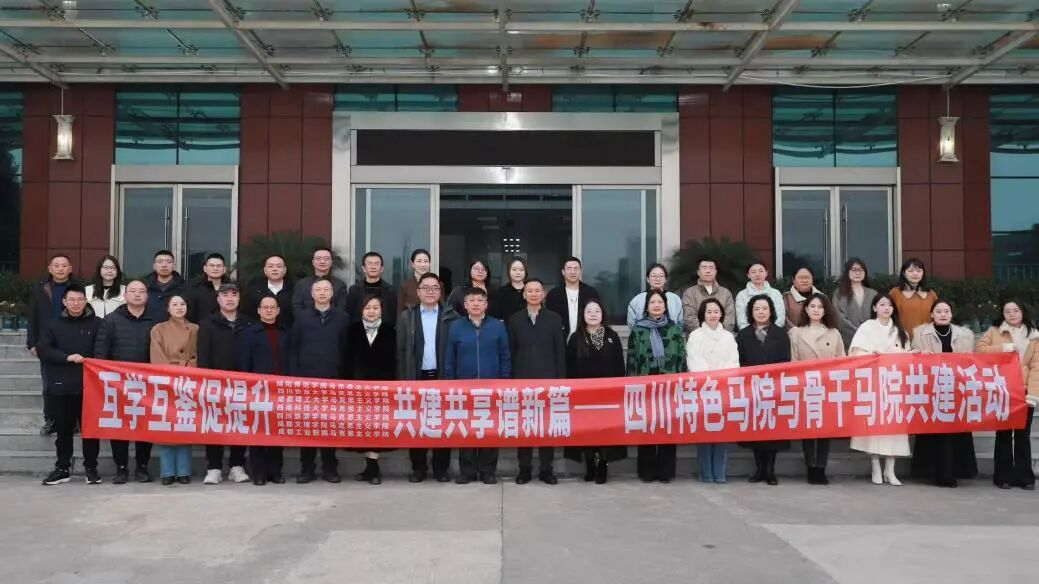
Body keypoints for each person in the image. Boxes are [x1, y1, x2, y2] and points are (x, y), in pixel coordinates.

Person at [444, 287, 510, 485]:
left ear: (486, 304)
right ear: (465, 305)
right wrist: (450, 384)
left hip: (492, 388)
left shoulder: (497, 326)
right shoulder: (456, 327)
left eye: (480, 300)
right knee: (466, 429)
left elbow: (505, 355)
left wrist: (504, 382)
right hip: (464, 388)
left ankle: (488, 471)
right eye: (471, 300)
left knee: (489, 429)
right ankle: (467, 471)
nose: (475, 304)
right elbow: (450, 357)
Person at [38, 284, 102, 486]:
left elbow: (103, 349)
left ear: (86, 301)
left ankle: (91, 468)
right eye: (72, 300)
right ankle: (62, 468)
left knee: (90, 431)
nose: (76, 303)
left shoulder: (97, 323)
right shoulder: (52, 324)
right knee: (64, 431)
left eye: (80, 299)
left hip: (90, 386)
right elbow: (44, 350)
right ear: (64, 302)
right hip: (62, 385)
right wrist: (66, 357)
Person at [397, 272, 458, 482]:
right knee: (417, 424)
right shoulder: (407, 317)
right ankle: (418, 468)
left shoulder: (451, 317)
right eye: (426, 288)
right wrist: (403, 379)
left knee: (443, 424)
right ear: (418, 292)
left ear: (441, 292)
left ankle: (441, 468)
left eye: (435, 288)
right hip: (416, 378)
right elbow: (401, 350)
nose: (430, 291)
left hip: (442, 378)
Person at [94, 279, 156, 484]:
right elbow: (101, 351)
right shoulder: (111, 320)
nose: (137, 294)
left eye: (141, 291)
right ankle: (121, 468)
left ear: (147, 295)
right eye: (133, 291)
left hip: (148, 384)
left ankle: (142, 467)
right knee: (119, 426)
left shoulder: (156, 320)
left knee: (145, 426)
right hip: (118, 383)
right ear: (125, 295)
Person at [911, 300, 978, 488]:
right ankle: (932, 472)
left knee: (955, 431)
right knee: (934, 432)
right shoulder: (919, 333)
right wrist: (919, 354)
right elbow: (912, 357)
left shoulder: (966, 334)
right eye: (938, 311)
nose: (943, 314)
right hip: (932, 388)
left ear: (951, 314)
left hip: (957, 388)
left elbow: (974, 360)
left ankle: (955, 471)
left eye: (946, 311)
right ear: (931, 314)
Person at [848, 293, 912, 486]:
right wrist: (871, 355)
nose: (886, 308)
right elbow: (855, 353)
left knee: (894, 427)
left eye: (889, 305)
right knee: (875, 427)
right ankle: (875, 465)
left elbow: (907, 356)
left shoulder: (900, 331)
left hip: (894, 384)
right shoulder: (867, 327)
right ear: (875, 308)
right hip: (873, 383)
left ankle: (890, 470)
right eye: (882, 304)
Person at [291, 276, 350, 483]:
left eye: (326, 289)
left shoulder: (343, 318)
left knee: (329, 427)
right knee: (307, 427)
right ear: (312, 294)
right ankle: (307, 469)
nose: (322, 293)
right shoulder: (302, 318)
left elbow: (346, 349)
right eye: (318, 290)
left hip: (333, 380)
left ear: (332, 294)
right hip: (307, 380)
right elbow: (294, 348)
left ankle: (330, 468)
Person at [508, 278, 566, 485]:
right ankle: (524, 469)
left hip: (548, 382)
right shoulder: (515, 320)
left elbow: (560, 352)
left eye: (537, 291)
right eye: (529, 291)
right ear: (524, 295)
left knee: (546, 427)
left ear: (543, 294)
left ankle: (546, 469)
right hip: (522, 381)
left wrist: (561, 381)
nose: (533, 294)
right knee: (525, 427)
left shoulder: (554, 319)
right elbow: (511, 351)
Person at [562, 299, 626, 484]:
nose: (593, 314)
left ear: (602, 314)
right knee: (587, 431)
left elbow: (619, 366)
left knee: (605, 431)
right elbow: (569, 366)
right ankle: (590, 463)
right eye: (589, 311)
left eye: (597, 311)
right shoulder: (576, 338)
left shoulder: (612, 336)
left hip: (608, 395)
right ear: (583, 315)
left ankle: (603, 464)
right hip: (583, 396)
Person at [976, 300, 1037, 490]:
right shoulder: (994, 331)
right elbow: (979, 350)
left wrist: (1033, 395)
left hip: (1023, 391)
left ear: (1023, 312)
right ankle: (1003, 476)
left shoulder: (1034, 336)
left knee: (1023, 435)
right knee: (1003, 434)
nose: (1012, 314)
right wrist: (1003, 349)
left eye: (1015, 310)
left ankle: (1025, 477)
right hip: (1001, 388)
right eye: (1007, 311)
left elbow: (1036, 368)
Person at [627, 290, 686, 483]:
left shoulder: (674, 329)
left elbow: (681, 358)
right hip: (645, 387)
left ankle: (665, 472)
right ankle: (647, 471)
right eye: (652, 302)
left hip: (670, 387)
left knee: (667, 427)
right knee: (648, 427)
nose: (656, 305)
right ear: (646, 307)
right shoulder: (638, 330)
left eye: (660, 302)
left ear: (666, 306)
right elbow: (632, 360)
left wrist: (682, 382)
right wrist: (632, 384)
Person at [789, 293, 846, 485]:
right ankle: (810, 466)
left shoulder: (833, 333)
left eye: (820, 307)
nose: (816, 310)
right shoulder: (796, 333)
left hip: (828, 386)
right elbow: (793, 361)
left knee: (825, 429)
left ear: (825, 310)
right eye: (812, 306)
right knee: (808, 429)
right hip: (805, 386)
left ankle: (821, 467)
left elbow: (842, 360)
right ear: (806, 309)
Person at [197, 282, 251, 485]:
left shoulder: (248, 323)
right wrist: (206, 381)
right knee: (215, 424)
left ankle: (237, 466)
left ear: (239, 299)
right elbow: (203, 355)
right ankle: (214, 467)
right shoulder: (207, 324)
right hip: (215, 383)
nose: (230, 299)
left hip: (242, 383)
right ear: (218, 299)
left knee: (239, 423)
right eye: (225, 295)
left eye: (234, 295)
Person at [736, 295, 791, 486]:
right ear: (751, 312)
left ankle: (770, 470)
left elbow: (786, 361)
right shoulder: (743, 335)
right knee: (756, 430)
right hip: (751, 389)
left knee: (772, 431)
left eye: (765, 308)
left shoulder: (780, 334)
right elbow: (740, 361)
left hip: (774, 389)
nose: (761, 312)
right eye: (757, 309)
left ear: (771, 311)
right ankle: (759, 469)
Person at [343, 295, 397, 485]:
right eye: (367, 308)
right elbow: (347, 358)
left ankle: (373, 469)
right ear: (361, 310)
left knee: (378, 427)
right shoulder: (353, 330)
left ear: (382, 310)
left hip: (383, 387)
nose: (371, 311)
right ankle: (369, 467)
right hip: (359, 387)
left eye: (375, 307)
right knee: (365, 427)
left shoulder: (390, 331)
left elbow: (395, 359)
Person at [238, 294, 291, 486]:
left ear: (278, 310)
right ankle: (258, 473)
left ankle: (275, 472)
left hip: (280, 389)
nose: (269, 310)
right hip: (257, 390)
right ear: (259, 311)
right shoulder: (249, 333)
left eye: (272, 307)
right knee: (258, 431)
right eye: (265, 307)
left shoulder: (286, 332)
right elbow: (244, 363)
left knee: (277, 431)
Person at [684, 298, 739, 484]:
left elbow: (733, 361)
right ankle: (706, 473)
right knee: (704, 433)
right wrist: (710, 379)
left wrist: (721, 378)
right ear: (703, 314)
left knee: (722, 432)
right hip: (703, 390)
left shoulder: (728, 337)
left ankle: (720, 473)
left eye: (716, 311)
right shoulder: (695, 336)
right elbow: (694, 361)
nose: (713, 315)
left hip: (724, 390)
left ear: (722, 314)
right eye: (709, 312)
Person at [149, 294, 198, 486]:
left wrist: (186, 369)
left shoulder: (195, 329)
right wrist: (169, 373)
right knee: (167, 425)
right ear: (167, 308)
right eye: (175, 304)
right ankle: (167, 471)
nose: (179, 307)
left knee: (185, 424)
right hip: (166, 381)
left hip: (188, 381)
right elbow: (156, 355)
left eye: (182, 303)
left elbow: (197, 355)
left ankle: (184, 471)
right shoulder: (158, 329)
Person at [27, 253, 75, 436]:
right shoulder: (40, 289)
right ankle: (51, 419)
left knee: (73, 384)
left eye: (64, 265)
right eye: (57, 265)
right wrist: (32, 342)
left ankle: (73, 420)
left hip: (72, 340)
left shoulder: (77, 288)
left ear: (70, 269)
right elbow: (33, 316)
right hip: (47, 342)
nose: (60, 269)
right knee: (49, 384)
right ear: (50, 269)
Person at [546, 256, 601, 340]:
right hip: (561, 341)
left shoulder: (591, 293)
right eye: (569, 269)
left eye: (576, 269)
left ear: (580, 271)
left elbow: (599, 317)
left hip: (585, 340)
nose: (572, 272)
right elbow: (549, 321)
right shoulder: (553, 295)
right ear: (563, 272)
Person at [832, 257, 877, 350]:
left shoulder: (873, 293)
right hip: (848, 341)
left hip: (871, 340)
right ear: (847, 272)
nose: (857, 273)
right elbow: (839, 317)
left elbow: (878, 316)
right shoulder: (839, 293)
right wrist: (859, 333)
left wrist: (869, 333)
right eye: (854, 270)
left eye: (861, 270)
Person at [681, 257, 736, 333]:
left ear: (716, 272)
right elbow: (689, 318)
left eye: (711, 268)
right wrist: (705, 334)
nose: (708, 271)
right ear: (698, 272)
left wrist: (720, 334)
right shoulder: (689, 293)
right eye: (704, 268)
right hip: (697, 337)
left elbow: (729, 319)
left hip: (721, 337)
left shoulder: (726, 293)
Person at [292, 247, 348, 318]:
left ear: (331, 262)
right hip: (306, 322)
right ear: (313, 262)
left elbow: (341, 309)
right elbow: (297, 307)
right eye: (318, 258)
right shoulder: (301, 284)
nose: (322, 261)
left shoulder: (340, 285)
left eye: (326, 259)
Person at [889, 257, 937, 341]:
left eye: (919, 271)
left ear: (923, 273)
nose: (915, 274)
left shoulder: (931, 294)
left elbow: (937, 317)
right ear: (904, 273)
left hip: (927, 341)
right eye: (911, 271)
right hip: (901, 340)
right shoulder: (895, 293)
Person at [346, 251, 397, 326]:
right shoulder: (354, 290)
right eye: (370, 263)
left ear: (382, 268)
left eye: (376, 264)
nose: (373, 267)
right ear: (363, 268)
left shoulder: (390, 291)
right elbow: (350, 315)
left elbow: (393, 316)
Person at [626, 263, 684, 328]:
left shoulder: (675, 299)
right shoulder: (637, 300)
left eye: (661, 276)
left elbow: (680, 323)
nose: (658, 279)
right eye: (654, 276)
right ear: (648, 279)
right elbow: (632, 324)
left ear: (665, 279)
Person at [243, 254, 293, 328]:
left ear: (285, 270)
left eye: (279, 266)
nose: (274, 269)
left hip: (287, 332)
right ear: (265, 270)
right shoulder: (254, 290)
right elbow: (248, 314)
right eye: (270, 266)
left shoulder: (294, 289)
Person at [734, 260, 785, 330]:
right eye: (753, 272)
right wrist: (753, 333)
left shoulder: (776, 293)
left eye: (761, 271)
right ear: (748, 275)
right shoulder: (741, 295)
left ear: (766, 273)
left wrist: (770, 332)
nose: (757, 274)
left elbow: (780, 319)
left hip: (773, 332)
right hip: (749, 333)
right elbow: (742, 321)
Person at [186, 253, 230, 324]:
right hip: (202, 329)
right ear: (205, 268)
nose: (215, 268)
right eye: (212, 265)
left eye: (219, 266)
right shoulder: (194, 289)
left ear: (224, 269)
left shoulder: (231, 289)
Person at [143, 249, 185, 321]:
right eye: (160, 262)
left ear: (173, 265)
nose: (164, 265)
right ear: (154, 266)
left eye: (168, 262)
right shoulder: (144, 287)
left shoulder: (184, 287)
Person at [85, 254, 126, 319]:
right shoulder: (88, 290)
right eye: (106, 267)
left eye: (113, 268)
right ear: (99, 270)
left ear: (117, 271)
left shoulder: (125, 290)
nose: (109, 271)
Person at [493, 256, 528, 325]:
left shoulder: (531, 290)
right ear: (509, 271)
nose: (518, 272)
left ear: (525, 271)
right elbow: (496, 316)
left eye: (521, 270)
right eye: (514, 269)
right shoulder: (501, 292)